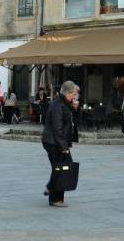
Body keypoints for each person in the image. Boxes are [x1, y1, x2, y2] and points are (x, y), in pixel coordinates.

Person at [41, 80, 79, 208]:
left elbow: (68, 121)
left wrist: (73, 108)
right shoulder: (58, 104)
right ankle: (55, 197)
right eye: (74, 94)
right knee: (62, 168)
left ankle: (51, 190)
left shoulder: (63, 103)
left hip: (54, 141)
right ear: (68, 92)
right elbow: (58, 128)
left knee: (60, 167)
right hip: (53, 142)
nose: (75, 97)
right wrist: (64, 147)